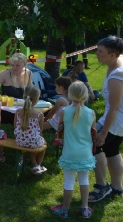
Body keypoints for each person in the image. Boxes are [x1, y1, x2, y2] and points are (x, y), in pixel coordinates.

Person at [51, 82, 96, 219]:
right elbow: (94, 133)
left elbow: (60, 130)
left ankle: (65, 209)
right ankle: (85, 208)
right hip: (85, 153)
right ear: (86, 95)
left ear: (69, 95)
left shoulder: (65, 111)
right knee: (84, 179)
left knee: (69, 181)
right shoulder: (91, 113)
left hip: (69, 152)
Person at [88, 36, 123, 202]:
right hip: (115, 116)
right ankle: (117, 187)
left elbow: (115, 108)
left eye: (100, 51)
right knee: (112, 149)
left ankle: (102, 187)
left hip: (117, 118)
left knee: (93, 146)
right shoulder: (118, 61)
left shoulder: (117, 76)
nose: (96, 54)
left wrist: (103, 132)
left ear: (113, 54)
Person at [14, 85, 46, 175]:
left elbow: (15, 127)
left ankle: (34, 163)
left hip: (20, 141)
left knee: (30, 141)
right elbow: (40, 131)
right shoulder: (39, 114)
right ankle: (37, 165)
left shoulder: (18, 112)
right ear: (37, 99)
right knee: (43, 145)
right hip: (32, 142)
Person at [0, 52, 32, 124]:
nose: (14, 67)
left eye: (17, 65)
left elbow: (30, 90)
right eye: (13, 65)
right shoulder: (6, 73)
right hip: (7, 108)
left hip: (22, 106)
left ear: (24, 64)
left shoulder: (28, 73)